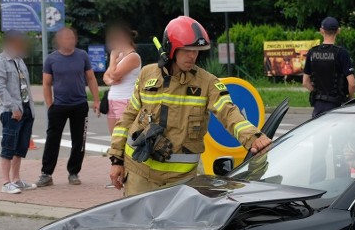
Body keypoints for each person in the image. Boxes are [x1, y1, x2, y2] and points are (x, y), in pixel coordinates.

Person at [108, 16, 272, 196]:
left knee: (177, 225)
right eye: (187, 50)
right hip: (139, 173)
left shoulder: (207, 83)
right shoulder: (147, 74)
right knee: (137, 222)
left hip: (180, 179)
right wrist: (116, 160)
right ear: (171, 49)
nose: (192, 56)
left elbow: (230, 113)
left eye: (196, 51)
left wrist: (253, 137)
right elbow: (128, 118)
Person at [36, 26, 101, 187]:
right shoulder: (51, 59)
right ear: (59, 41)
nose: (70, 41)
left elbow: (91, 78)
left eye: (72, 38)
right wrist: (50, 105)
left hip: (79, 105)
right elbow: (46, 83)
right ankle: (46, 174)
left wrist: (96, 100)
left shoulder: (82, 56)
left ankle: (73, 172)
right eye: (67, 38)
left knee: (79, 141)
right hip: (58, 106)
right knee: (52, 140)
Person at [0, 31, 36, 194]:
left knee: (20, 147)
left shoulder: (19, 60)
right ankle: (6, 182)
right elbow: (0, 88)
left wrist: (29, 109)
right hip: (12, 112)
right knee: (8, 146)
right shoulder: (0, 62)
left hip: (26, 109)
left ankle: (16, 179)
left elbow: (24, 85)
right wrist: (13, 107)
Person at [302, 17, 355, 118]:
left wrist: (317, 92)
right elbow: (352, 83)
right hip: (336, 105)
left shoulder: (312, 52)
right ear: (338, 31)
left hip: (318, 105)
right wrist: (350, 97)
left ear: (321, 31)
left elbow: (305, 82)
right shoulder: (341, 53)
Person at [103, 25, 141, 136]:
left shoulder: (133, 57)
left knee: (123, 136)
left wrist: (112, 58)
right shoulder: (120, 56)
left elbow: (114, 74)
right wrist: (111, 81)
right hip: (113, 99)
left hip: (125, 100)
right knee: (114, 137)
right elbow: (106, 76)